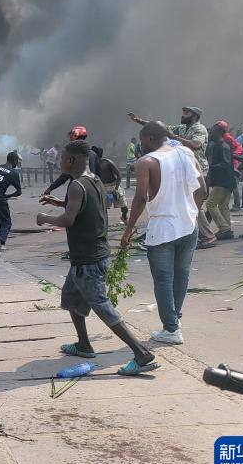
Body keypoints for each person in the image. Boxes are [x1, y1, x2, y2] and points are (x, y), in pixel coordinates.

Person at [37, 141, 158, 376]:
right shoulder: (94, 180)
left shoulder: (76, 186)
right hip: (90, 255)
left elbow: (68, 220)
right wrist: (59, 202)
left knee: (102, 306)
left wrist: (45, 218)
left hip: (88, 259)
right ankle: (83, 344)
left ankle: (141, 354)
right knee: (71, 298)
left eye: (61, 158)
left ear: (71, 160)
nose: (59, 162)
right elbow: (84, 207)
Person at [123, 121, 207, 345]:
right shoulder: (186, 153)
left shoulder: (146, 162)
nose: (141, 145)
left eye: (142, 141)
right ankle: (174, 322)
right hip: (188, 227)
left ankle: (171, 329)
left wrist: (128, 230)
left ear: (150, 138)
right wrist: (192, 214)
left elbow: (141, 198)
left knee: (163, 280)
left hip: (162, 230)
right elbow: (203, 189)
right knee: (181, 276)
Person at [129, 107, 215, 248]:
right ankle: (195, 231)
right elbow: (159, 128)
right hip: (181, 166)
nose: (183, 115)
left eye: (186, 113)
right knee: (184, 200)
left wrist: (174, 137)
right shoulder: (182, 128)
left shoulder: (199, 129)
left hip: (195, 168)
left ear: (195, 116)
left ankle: (207, 235)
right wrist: (139, 121)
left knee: (192, 201)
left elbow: (196, 145)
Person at [43, 126, 99, 196]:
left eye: (71, 138)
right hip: (92, 191)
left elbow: (65, 176)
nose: (70, 140)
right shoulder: (94, 154)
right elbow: (97, 174)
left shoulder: (73, 155)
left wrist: (50, 188)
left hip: (76, 190)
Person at [205, 121, 236, 240]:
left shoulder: (223, 146)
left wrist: (210, 167)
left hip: (223, 181)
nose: (210, 134)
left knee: (210, 204)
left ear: (219, 133)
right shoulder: (218, 145)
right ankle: (227, 229)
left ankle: (224, 228)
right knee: (223, 205)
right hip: (225, 181)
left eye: (212, 132)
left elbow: (225, 163)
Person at [93, 146, 128, 223]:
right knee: (102, 207)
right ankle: (103, 223)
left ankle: (124, 217)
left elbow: (119, 175)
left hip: (114, 185)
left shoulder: (107, 162)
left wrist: (116, 188)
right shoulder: (92, 165)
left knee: (124, 206)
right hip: (102, 186)